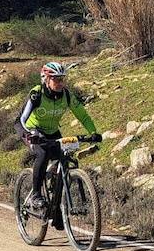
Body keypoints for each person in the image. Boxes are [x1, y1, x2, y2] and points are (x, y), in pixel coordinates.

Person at [17, 62, 99, 213]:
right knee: (42, 154)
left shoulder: (67, 95)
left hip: (52, 131)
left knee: (66, 158)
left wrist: (93, 133)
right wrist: (29, 134)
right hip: (31, 129)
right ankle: (35, 195)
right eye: (56, 79)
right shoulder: (37, 94)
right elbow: (22, 119)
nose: (61, 83)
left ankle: (56, 206)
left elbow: (83, 116)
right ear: (46, 79)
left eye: (62, 79)